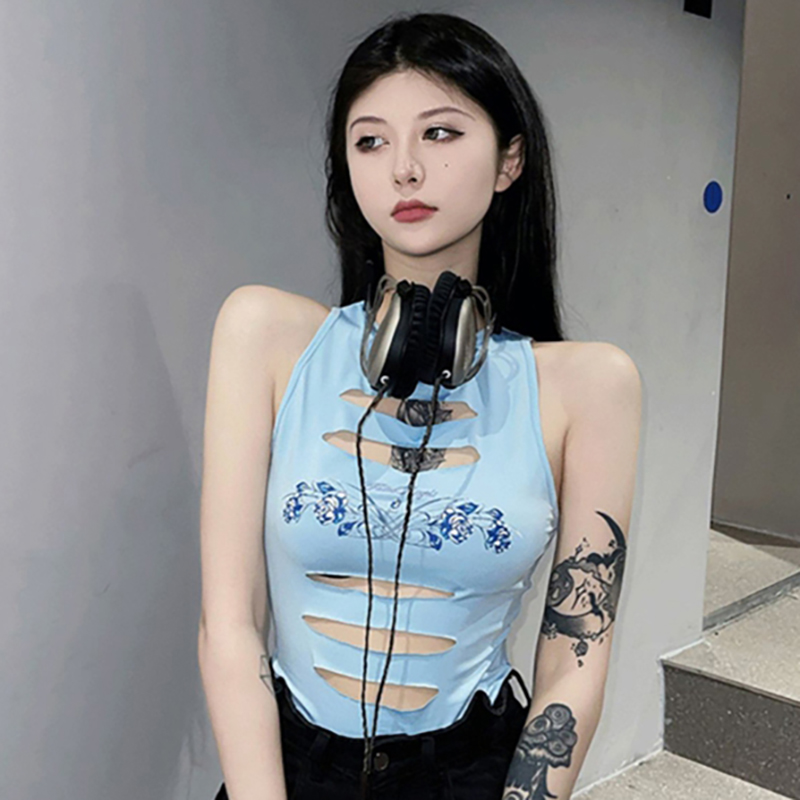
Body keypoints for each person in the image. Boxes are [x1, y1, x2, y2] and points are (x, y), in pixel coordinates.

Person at [198, 12, 641, 800]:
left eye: (439, 133)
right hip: (286, 768)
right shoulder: (263, 336)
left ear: (509, 160)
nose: (404, 169)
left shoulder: (590, 387)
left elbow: (575, 658)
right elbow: (228, 624)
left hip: (469, 772)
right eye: (370, 141)